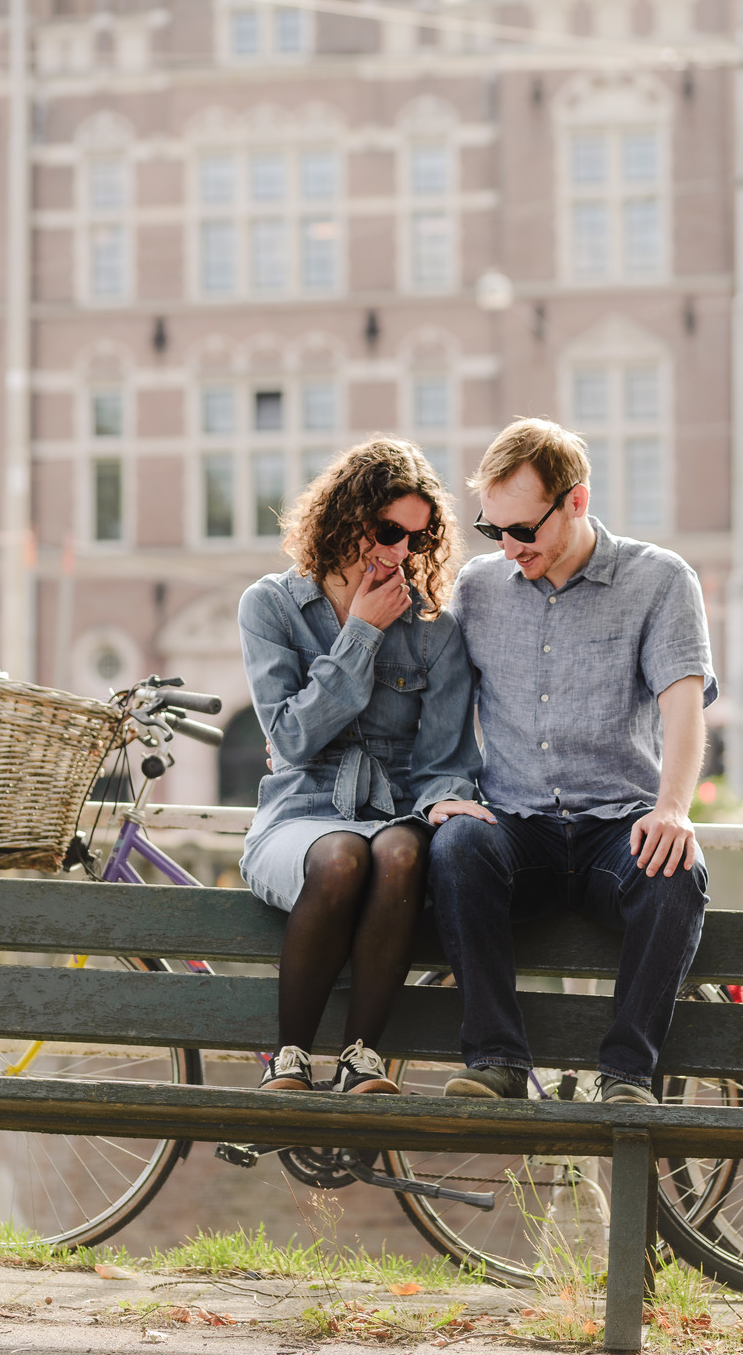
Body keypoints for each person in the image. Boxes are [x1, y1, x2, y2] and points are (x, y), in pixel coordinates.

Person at [427, 418, 714, 1106]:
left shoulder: (661, 580)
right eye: (493, 530)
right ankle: (494, 1062)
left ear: (576, 502)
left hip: (619, 826)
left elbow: (685, 707)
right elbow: (432, 700)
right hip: (517, 826)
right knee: (457, 844)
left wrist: (672, 809)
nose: (509, 547)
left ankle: (625, 1076)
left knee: (678, 873)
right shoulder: (478, 588)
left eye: (523, 530)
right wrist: (439, 787)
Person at [238, 438, 490, 1097]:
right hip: (300, 813)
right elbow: (291, 741)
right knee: (344, 854)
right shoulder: (271, 607)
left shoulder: (435, 631)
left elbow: (441, 762)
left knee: (402, 851)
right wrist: (363, 636)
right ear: (347, 516)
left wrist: (447, 798)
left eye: (418, 536)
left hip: (396, 811)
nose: (400, 551)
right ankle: (288, 1059)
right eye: (387, 531)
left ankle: (363, 1059)